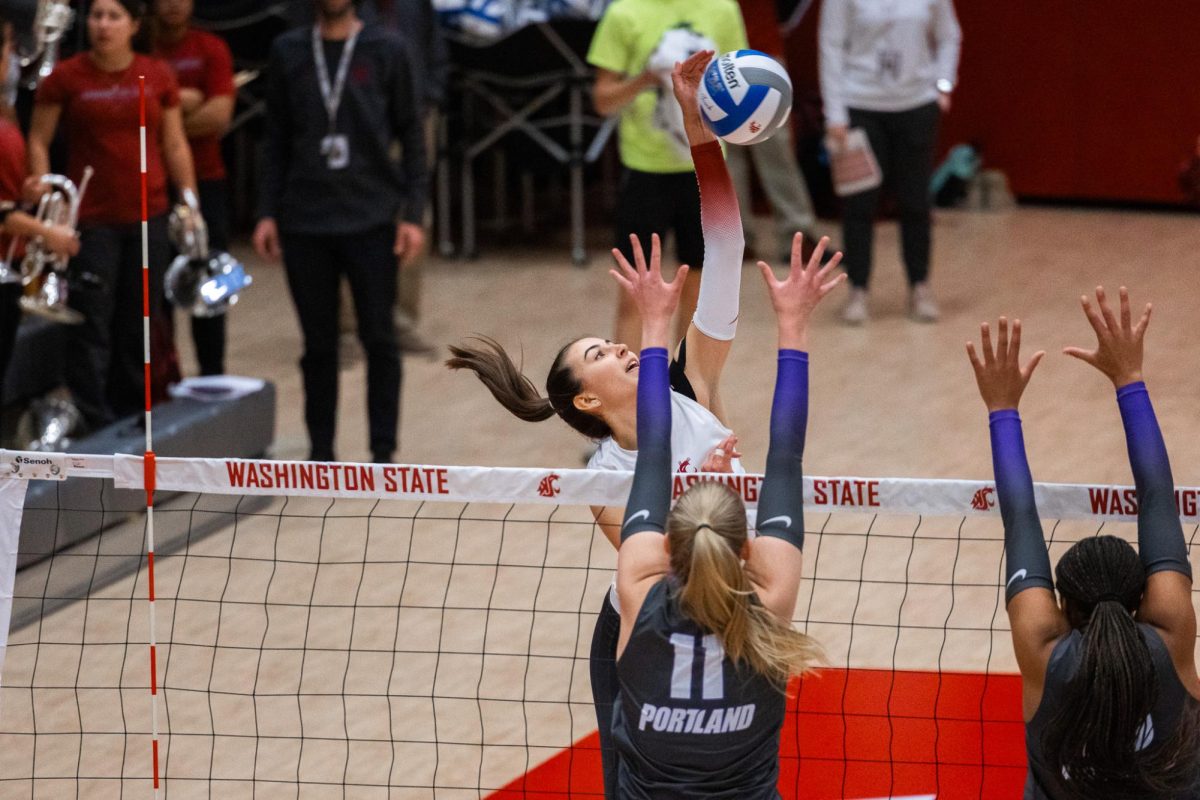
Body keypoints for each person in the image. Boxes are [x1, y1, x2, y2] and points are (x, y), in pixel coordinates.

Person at [448, 52, 819, 795]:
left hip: (740, 618)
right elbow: (678, 561)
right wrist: (714, 497)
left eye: (613, 340)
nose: (618, 345)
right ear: (586, 400)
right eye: (599, 354)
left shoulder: (692, 379)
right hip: (643, 639)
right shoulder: (604, 480)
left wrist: (695, 122)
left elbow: (725, 246)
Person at [608, 161, 840, 797]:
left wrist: (654, 325)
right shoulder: (767, 612)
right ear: (748, 548)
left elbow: (654, 451)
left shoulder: (640, 593)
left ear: (664, 547)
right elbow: (784, 456)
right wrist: (792, 325)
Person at [965, 287, 1200, 799]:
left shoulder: (1046, 654)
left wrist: (1002, 408)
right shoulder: (1171, 637)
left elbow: (1020, 517)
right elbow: (1158, 497)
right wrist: (1129, 379)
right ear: (1144, 598)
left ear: (1061, 607)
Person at [252, 0, 427, 463]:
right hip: (304, 219)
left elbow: (412, 135)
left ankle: (383, 451)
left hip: (372, 216)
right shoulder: (288, 51)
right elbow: (274, 140)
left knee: (380, 337)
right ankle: (321, 452)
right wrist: (266, 211)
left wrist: (413, 214)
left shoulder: (387, 48)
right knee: (318, 344)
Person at [26, 0, 197, 432]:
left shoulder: (157, 75)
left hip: (148, 216)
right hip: (94, 221)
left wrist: (190, 201)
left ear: (134, 25)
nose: (102, 25)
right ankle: (95, 418)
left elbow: (174, 143)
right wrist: (44, 187)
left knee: (139, 318)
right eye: (97, 15)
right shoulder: (67, 76)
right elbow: (38, 139)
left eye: (114, 16)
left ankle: (136, 412)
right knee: (92, 320)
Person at [588, 0, 748, 349]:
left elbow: (741, 88)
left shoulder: (723, 9)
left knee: (699, 292)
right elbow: (602, 100)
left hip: (705, 170)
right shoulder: (624, 12)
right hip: (646, 169)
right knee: (636, 294)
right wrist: (647, 77)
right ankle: (629, 391)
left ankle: (683, 390)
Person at [819, 0, 961, 324]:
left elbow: (949, 35)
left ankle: (920, 286)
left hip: (917, 106)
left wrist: (943, 84)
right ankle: (857, 290)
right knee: (859, 204)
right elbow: (830, 45)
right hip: (859, 106)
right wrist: (835, 113)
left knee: (915, 202)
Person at [152, 0, 236, 376]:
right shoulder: (140, 50)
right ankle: (163, 375)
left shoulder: (211, 48)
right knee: (156, 289)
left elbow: (219, 115)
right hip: (154, 186)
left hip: (208, 181)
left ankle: (214, 372)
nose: (172, 4)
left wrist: (164, 129)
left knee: (211, 279)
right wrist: (186, 103)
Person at [0, 17, 80, 400]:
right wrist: (50, 233)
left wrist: (27, 194)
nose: (13, 59)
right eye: (8, 49)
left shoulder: (7, 112)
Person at [726, 0, 819, 264]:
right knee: (725, 153)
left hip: (760, 51)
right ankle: (735, 238)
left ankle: (797, 236)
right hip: (716, 55)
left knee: (775, 148)